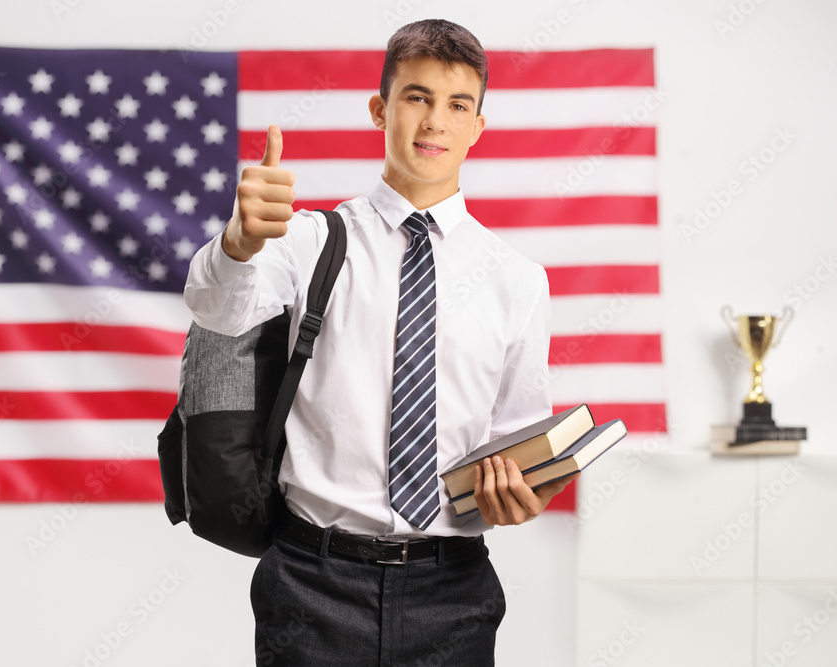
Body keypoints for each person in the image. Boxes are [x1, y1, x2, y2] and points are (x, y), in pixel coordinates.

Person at [184, 18, 575, 666]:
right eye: (416, 96)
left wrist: (524, 492)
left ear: (478, 125)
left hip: (453, 589)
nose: (435, 121)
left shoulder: (518, 280)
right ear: (380, 108)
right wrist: (239, 241)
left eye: (457, 105)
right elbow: (215, 306)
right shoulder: (310, 239)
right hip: (313, 585)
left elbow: (519, 439)